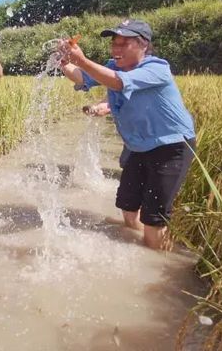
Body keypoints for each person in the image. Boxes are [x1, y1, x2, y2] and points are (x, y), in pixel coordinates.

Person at [60, 19, 195, 250]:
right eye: (114, 43)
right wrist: (64, 63)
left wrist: (81, 59)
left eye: (124, 43)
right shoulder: (113, 65)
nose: (116, 49)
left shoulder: (157, 68)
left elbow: (118, 83)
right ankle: (138, 249)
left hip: (170, 146)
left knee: (153, 218)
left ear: (144, 45)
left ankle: (157, 258)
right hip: (137, 146)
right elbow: (83, 77)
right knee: (128, 208)